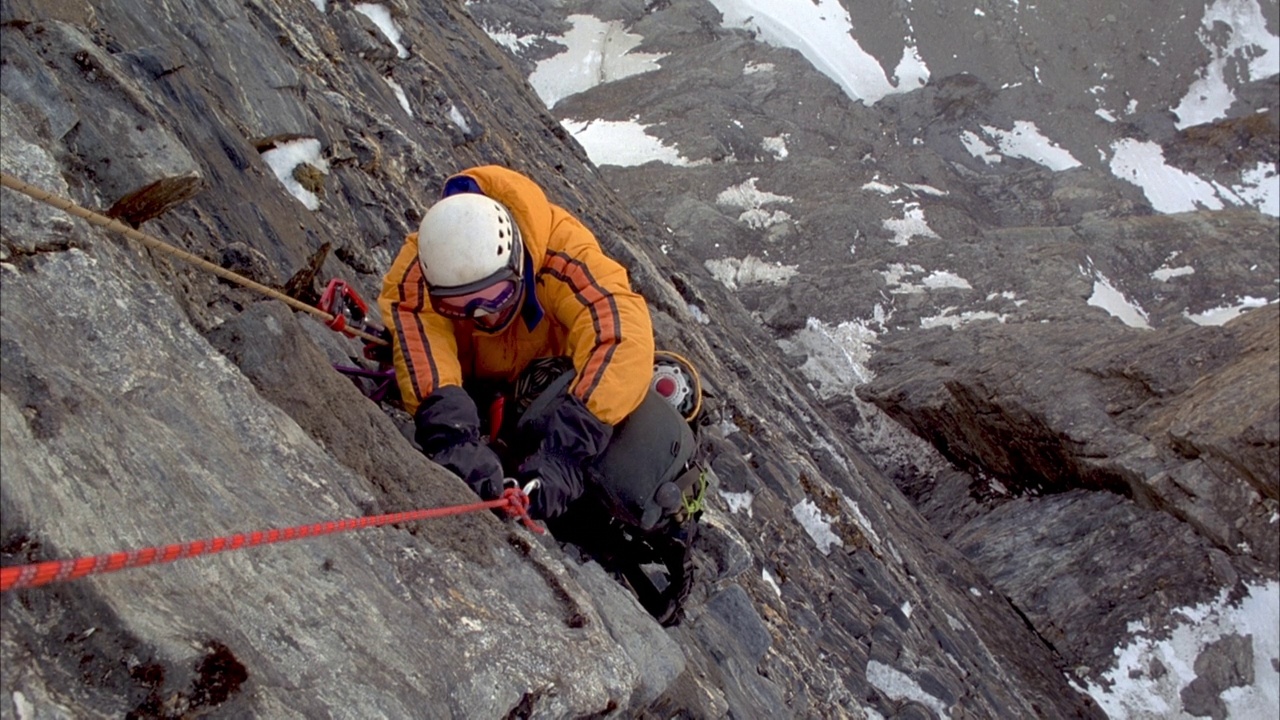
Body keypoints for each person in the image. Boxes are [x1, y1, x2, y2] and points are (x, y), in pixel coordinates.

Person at [378, 167, 704, 625]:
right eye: (462, 307)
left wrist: (567, 452)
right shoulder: (416, 278)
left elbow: (619, 331)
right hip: (497, 395)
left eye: (497, 295)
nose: (484, 315)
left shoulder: (560, 251)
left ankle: (659, 526)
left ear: (518, 263)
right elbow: (423, 349)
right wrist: (453, 435)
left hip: (562, 386)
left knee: (643, 413)